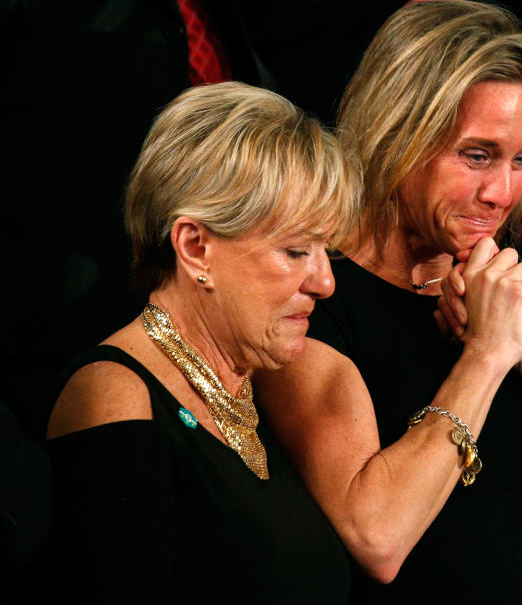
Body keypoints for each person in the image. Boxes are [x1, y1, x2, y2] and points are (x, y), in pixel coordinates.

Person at [255, 0, 522, 605]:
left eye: (521, 159)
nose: (502, 192)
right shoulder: (316, 302)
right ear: (396, 133)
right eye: (477, 156)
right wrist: (488, 355)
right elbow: (377, 540)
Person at [38, 82, 359, 604]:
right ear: (195, 247)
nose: (325, 282)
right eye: (297, 250)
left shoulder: (257, 388)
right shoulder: (113, 396)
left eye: (327, 250)